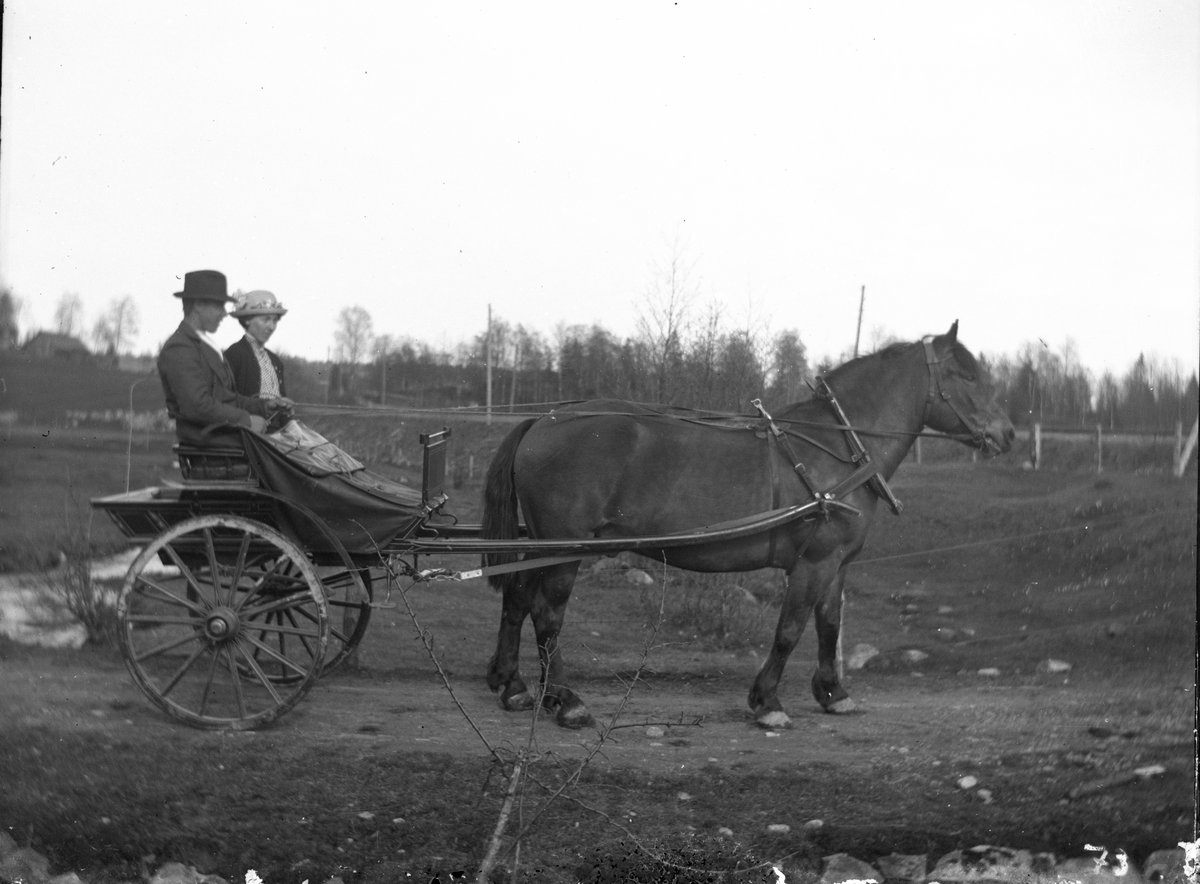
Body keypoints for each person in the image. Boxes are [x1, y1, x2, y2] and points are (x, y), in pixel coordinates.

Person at [157, 270, 288, 447]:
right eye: (219, 306)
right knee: (295, 456)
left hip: (223, 438)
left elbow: (226, 398)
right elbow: (197, 406)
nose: (224, 314)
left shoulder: (205, 346)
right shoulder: (179, 348)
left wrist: (264, 406)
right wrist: (246, 420)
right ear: (198, 305)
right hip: (209, 443)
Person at [224, 290, 290, 402]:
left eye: (275, 321)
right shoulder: (234, 355)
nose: (271, 327)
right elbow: (225, 399)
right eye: (265, 320)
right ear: (247, 320)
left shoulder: (275, 361)